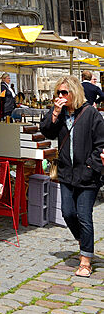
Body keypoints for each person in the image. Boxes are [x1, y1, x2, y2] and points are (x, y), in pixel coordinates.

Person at [40, 75, 104, 278]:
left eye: (64, 92)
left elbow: (101, 143)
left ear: (74, 92)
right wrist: (55, 112)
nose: (60, 96)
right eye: (58, 93)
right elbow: (47, 132)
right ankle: (83, 241)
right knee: (68, 213)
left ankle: (85, 260)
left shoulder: (91, 114)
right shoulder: (57, 113)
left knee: (84, 215)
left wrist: (90, 165)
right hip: (67, 173)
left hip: (88, 175)